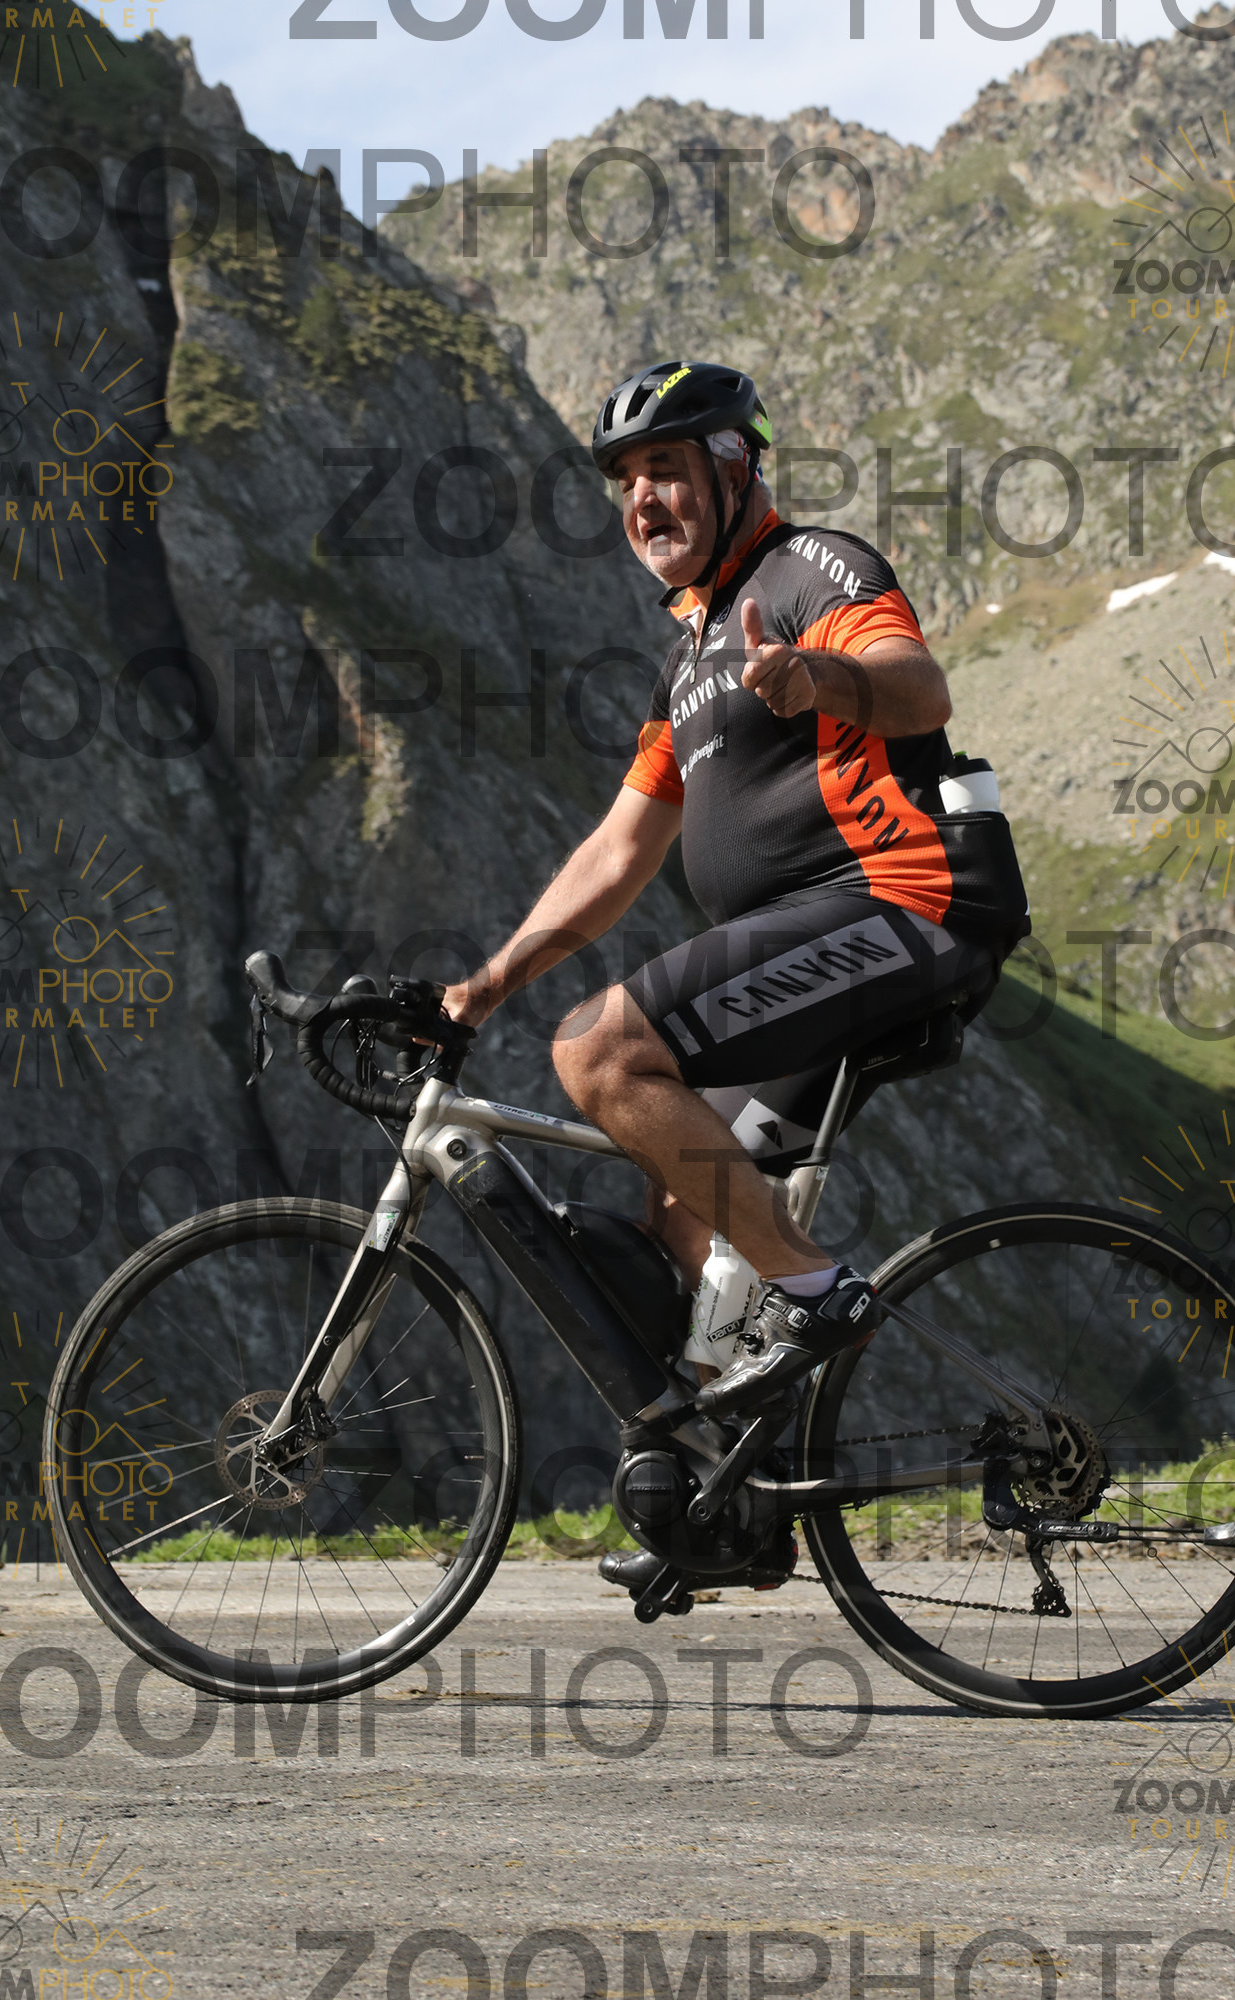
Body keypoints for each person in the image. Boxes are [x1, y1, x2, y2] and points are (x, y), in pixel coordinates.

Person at [438, 360, 1026, 1589]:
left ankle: (817, 1291)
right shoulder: (691, 656)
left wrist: (821, 680)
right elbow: (619, 851)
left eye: (665, 469)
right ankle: (734, 1516)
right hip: (814, 941)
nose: (642, 500)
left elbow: (920, 686)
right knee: (683, 1218)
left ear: (733, 467)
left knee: (599, 1052)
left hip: (903, 902)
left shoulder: (808, 571)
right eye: (625, 483)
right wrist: (483, 986)